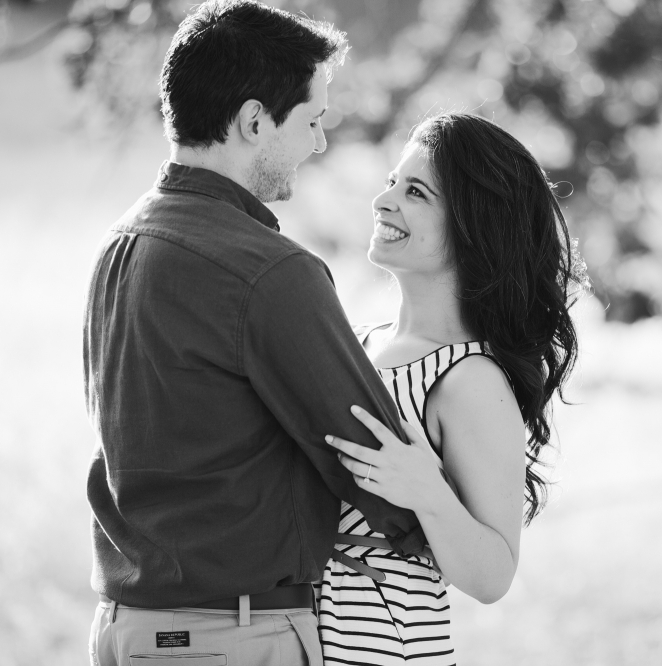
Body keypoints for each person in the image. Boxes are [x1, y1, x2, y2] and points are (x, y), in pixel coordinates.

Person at [82, 2, 425, 664]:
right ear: (254, 120)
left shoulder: (118, 245)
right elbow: (375, 462)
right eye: (314, 120)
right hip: (225, 638)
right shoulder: (269, 273)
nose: (320, 143)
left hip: (125, 630)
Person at [316, 113, 585, 665]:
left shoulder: (469, 379)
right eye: (392, 181)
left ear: (471, 229)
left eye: (416, 192)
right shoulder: (357, 345)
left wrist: (427, 491)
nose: (384, 200)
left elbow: (493, 574)